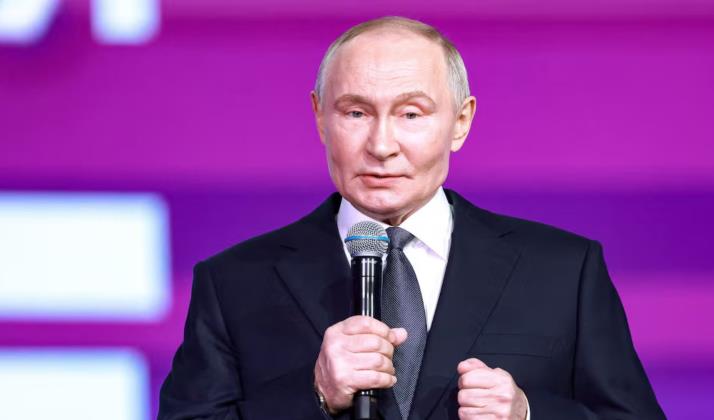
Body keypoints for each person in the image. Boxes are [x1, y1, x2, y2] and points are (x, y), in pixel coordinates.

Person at [158, 16, 666, 420]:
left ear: (460, 122)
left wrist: (528, 414)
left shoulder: (563, 270)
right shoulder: (234, 281)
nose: (382, 145)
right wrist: (314, 395)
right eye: (356, 113)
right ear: (320, 118)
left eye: (411, 114)